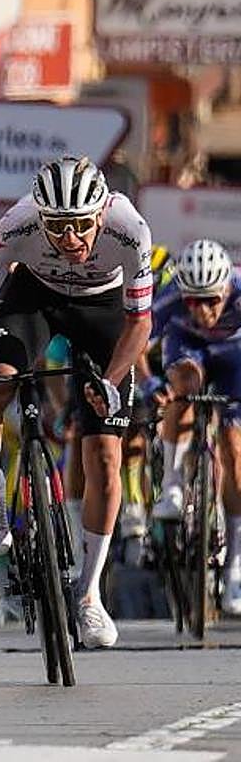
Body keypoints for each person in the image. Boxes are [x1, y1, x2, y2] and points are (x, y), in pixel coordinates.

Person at [0, 156, 153, 649]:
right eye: (57, 226)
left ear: (101, 215)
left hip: (104, 309)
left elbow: (140, 323)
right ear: (40, 217)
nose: (71, 237)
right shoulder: (14, 225)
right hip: (34, 297)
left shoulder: (131, 230)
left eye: (82, 224)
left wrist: (111, 379)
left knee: (104, 455)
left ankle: (88, 595)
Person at [149, 240, 241, 614]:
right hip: (189, 350)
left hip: (235, 355)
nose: (202, 311)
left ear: (226, 290)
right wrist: (148, 385)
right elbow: (139, 340)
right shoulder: (171, 297)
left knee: (234, 451)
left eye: (211, 302)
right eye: (193, 302)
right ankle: (172, 483)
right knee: (181, 387)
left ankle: (236, 565)